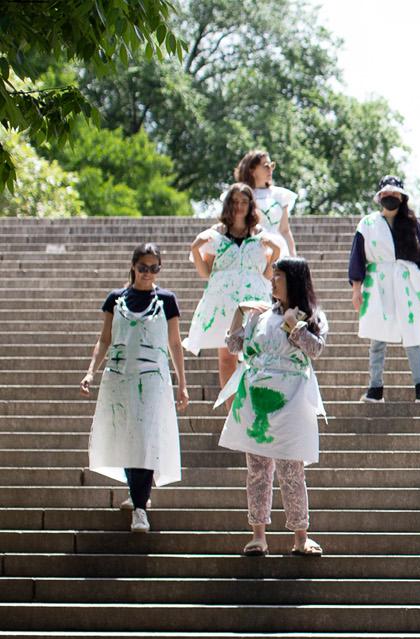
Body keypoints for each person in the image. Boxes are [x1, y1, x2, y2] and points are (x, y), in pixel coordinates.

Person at [215, 257, 328, 557]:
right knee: (258, 470)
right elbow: (234, 346)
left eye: (278, 276)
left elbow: (315, 350)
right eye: (273, 275)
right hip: (257, 397)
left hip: (292, 396)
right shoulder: (260, 315)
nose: (272, 281)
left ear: (293, 279)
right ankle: (258, 535)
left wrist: (296, 327)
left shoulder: (312, 314)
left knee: (292, 469)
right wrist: (240, 312)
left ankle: (300, 536)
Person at [80, 244, 190, 533]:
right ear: (133, 267)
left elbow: (175, 344)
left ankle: (140, 507)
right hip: (120, 376)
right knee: (128, 435)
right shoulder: (116, 299)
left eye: (154, 268)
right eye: (143, 267)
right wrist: (91, 371)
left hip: (153, 378)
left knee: (145, 436)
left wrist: (182, 384)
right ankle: (138, 493)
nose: (148, 274)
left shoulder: (166, 299)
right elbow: (104, 339)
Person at [183, 183, 283, 389]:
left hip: (253, 299)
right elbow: (206, 273)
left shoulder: (260, 233)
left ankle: (249, 410)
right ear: (229, 203)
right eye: (235, 201)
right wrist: (195, 249)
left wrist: (276, 252)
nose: (239, 206)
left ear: (250, 205)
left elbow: (267, 274)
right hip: (223, 302)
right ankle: (231, 413)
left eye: (244, 202)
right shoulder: (216, 233)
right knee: (227, 358)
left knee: (253, 355)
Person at [350, 175, 420, 403]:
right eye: (386, 193)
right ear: (380, 196)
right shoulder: (367, 224)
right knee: (377, 338)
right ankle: (375, 388)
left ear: (402, 196)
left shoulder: (411, 223)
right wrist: (356, 288)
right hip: (377, 281)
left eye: (395, 193)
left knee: (413, 335)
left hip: (406, 282)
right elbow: (358, 256)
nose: (390, 197)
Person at [233, 150, 298, 256]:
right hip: (250, 250)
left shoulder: (281, 194)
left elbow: (285, 230)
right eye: (266, 166)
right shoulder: (241, 195)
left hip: (278, 250)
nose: (270, 169)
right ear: (252, 170)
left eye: (272, 165)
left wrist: (293, 256)